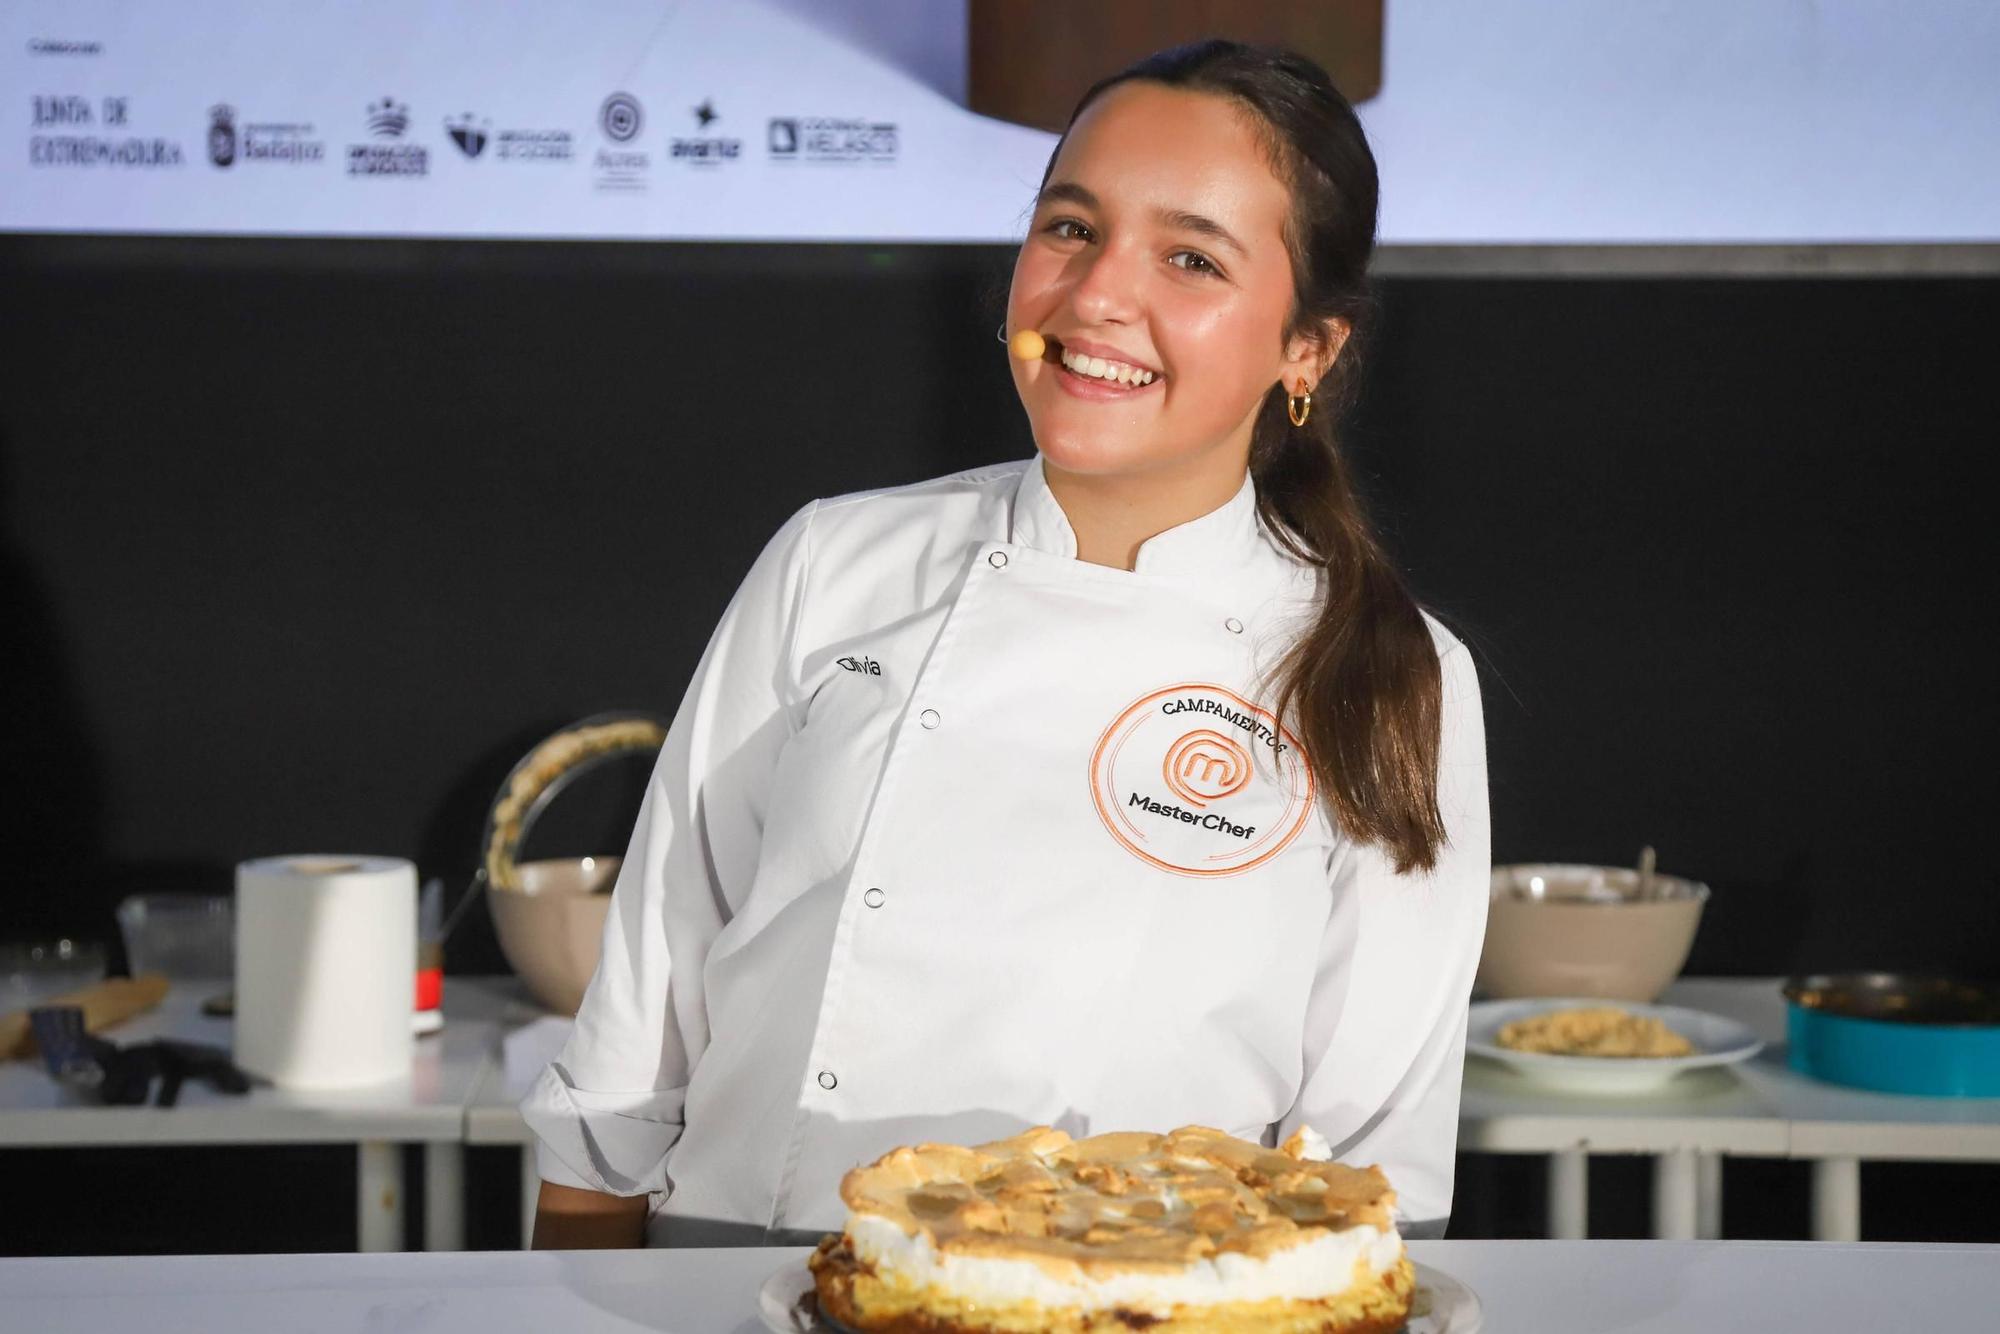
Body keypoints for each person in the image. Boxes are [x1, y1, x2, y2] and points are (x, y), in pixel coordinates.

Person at [524, 38, 1489, 1250]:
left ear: (1308, 347)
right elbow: (649, 992)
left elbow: (1368, 1169)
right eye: (1070, 228)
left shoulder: (1394, 670)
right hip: (740, 1270)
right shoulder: (839, 559)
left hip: (1138, 1307)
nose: (1094, 297)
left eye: (1190, 257)